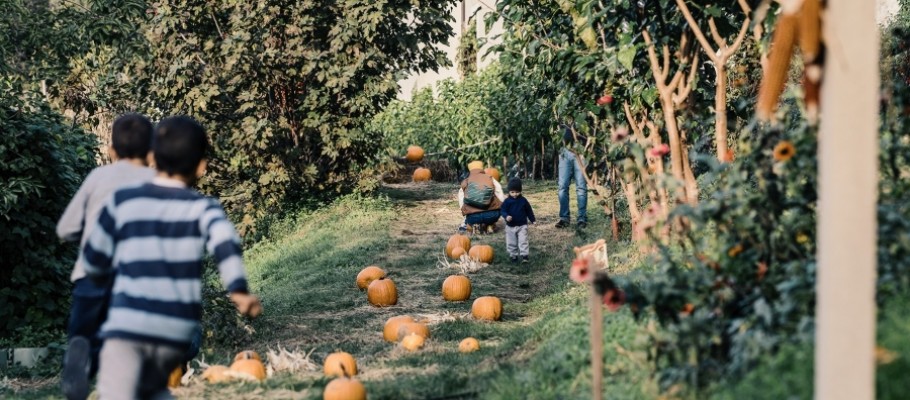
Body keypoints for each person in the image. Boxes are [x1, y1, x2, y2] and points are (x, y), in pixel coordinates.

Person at [80, 116, 263, 400]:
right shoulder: (204, 208)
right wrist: (238, 290)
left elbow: (93, 257)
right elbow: (225, 244)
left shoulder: (122, 201)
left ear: (152, 156)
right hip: (175, 329)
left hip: (128, 323)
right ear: (201, 167)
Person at [56, 113, 156, 400]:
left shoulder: (98, 176)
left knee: (87, 335)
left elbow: (65, 229)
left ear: (111, 150)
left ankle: (82, 355)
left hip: (90, 276)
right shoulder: (158, 182)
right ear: (151, 150)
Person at [458, 160, 505, 234]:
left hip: (473, 217)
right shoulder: (490, 178)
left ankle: (475, 226)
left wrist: (466, 213)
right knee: (495, 210)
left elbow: (461, 199)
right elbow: (500, 194)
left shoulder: (466, 181)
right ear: (482, 168)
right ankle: (490, 224)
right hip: (491, 215)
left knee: (470, 220)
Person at [556, 123, 588, 229]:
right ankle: (564, 218)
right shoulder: (559, 110)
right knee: (562, 186)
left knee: (581, 186)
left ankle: (582, 218)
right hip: (565, 150)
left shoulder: (582, 108)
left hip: (580, 149)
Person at [500, 178, 536, 264]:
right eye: (512, 192)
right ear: (509, 191)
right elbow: (503, 210)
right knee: (511, 241)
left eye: (517, 192)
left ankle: (525, 256)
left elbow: (529, 211)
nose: (515, 194)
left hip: (522, 225)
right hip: (510, 226)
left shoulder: (523, 201)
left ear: (520, 191)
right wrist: (506, 216)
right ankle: (513, 256)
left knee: (523, 240)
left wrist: (533, 220)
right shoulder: (507, 201)